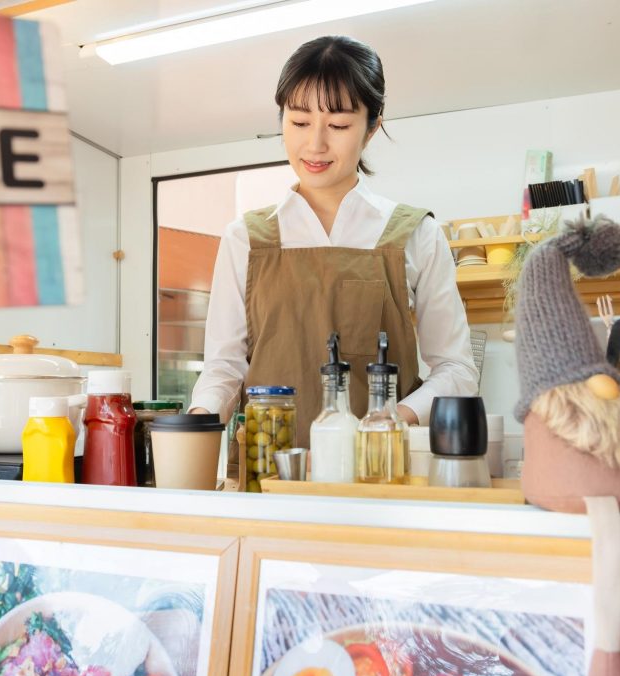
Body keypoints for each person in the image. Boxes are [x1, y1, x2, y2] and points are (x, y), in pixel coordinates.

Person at [190, 35, 478, 447]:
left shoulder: (416, 235)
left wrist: (394, 417)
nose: (315, 144)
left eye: (339, 125)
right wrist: (197, 420)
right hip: (267, 475)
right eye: (299, 122)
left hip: (380, 472)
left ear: (372, 128)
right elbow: (224, 368)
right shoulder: (245, 240)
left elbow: (457, 369)